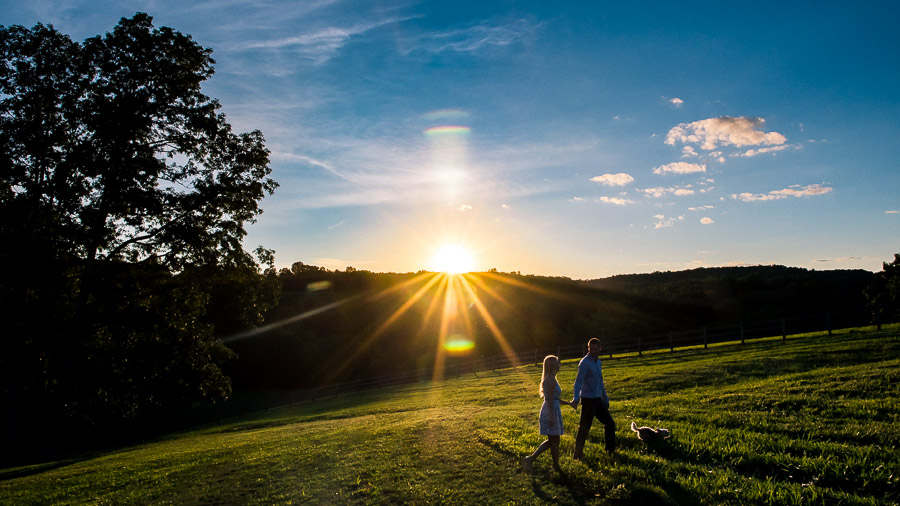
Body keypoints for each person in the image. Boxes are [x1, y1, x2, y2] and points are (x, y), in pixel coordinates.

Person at [523, 355, 575, 473]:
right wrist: (551, 417)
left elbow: (555, 399)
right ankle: (536, 460)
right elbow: (550, 400)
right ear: (553, 366)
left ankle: (548, 463)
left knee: (553, 440)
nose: (559, 365)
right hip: (550, 411)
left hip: (552, 409)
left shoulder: (552, 378)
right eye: (557, 363)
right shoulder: (550, 380)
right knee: (554, 440)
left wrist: (569, 404)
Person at [571, 338, 616, 458]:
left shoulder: (598, 362)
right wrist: (576, 398)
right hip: (587, 400)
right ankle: (578, 453)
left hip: (597, 399)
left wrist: (605, 397)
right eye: (591, 348)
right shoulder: (585, 363)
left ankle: (610, 450)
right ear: (588, 348)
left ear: (600, 349)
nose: (593, 351)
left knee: (610, 423)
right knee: (584, 427)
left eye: (596, 349)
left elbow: (600, 381)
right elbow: (578, 382)